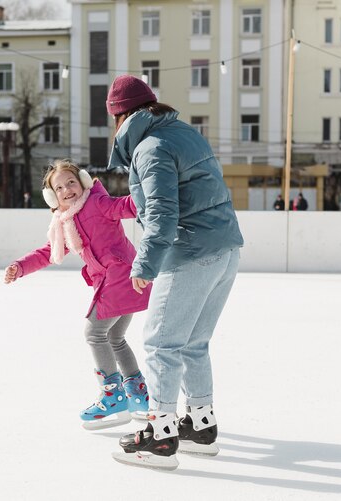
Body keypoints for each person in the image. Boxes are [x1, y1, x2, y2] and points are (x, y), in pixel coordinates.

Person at [105, 75, 244, 470]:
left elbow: (163, 216)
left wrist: (145, 264)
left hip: (191, 252)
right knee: (193, 343)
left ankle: (160, 436)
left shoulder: (150, 148)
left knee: (161, 343)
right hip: (225, 249)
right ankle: (201, 425)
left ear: (118, 115)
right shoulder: (184, 132)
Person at [4, 159, 151, 430]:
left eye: (71, 182)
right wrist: (21, 266)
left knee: (94, 333)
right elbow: (49, 252)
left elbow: (126, 206)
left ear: (83, 182)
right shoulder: (65, 221)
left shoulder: (96, 203)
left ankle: (113, 395)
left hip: (119, 276)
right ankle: (139, 397)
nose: (66, 190)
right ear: (52, 196)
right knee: (114, 337)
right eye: (58, 188)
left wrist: (149, 189)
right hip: (120, 278)